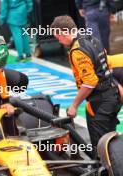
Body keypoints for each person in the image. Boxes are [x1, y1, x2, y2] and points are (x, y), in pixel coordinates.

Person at [51, 15, 121, 159]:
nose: (59, 41)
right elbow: (105, 63)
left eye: (58, 37)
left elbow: (90, 82)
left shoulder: (77, 51)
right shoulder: (92, 38)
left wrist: (74, 105)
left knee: (101, 149)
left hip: (100, 103)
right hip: (113, 96)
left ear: (64, 33)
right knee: (112, 141)